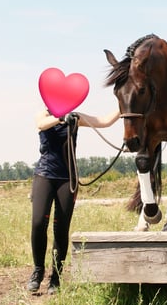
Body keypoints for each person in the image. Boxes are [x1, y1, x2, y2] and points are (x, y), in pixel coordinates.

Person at [28, 106, 120, 294]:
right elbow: (41, 124)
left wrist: (122, 104)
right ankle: (38, 271)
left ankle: (56, 277)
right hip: (44, 175)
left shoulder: (76, 117)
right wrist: (61, 117)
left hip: (67, 179)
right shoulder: (43, 114)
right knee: (38, 223)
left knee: (61, 228)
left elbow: (103, 121)